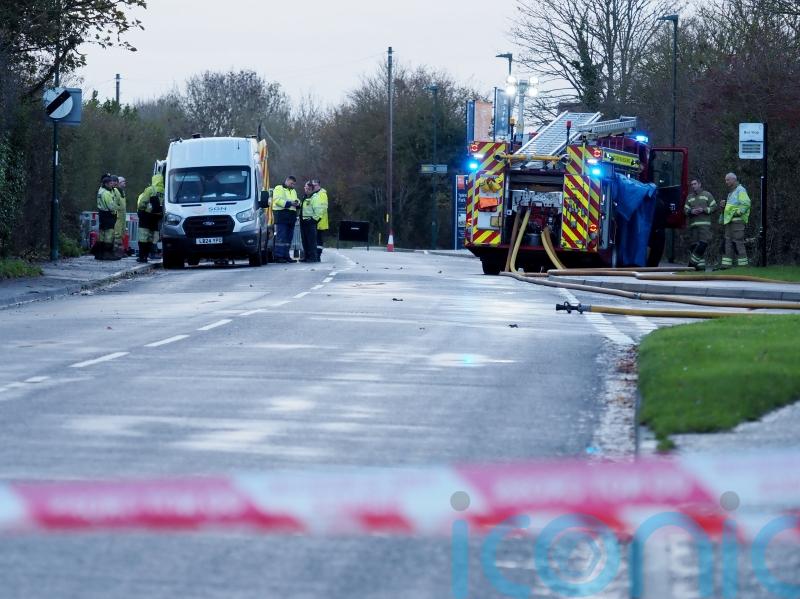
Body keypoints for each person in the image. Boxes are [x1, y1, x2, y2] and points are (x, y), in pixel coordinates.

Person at [683, 178, 717, 270]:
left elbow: (714, 207)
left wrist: (704, 210)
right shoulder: (689, 197)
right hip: (693, 227)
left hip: (704, 226)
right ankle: (700, 268)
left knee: (703, 245)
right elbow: (685, 210)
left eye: (695, 184)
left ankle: (690, 265)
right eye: (692, 184)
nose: (693, 186)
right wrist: (691, 211)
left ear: (699, 184)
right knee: (694, 246)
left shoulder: (707, 195)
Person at [719, 172, 751, 268]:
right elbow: (730, 208)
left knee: (737, 242)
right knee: (727, 242)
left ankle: (743, 266)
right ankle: (725, 265)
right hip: (729, 222)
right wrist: (723, 206)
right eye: (725, 180)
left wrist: (738, 213)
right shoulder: (731, 193)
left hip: (737, 221)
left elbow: (746, 203)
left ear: (734, 179)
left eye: (728, 180)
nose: (726, 182)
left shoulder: (740, 190)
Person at [136, 172, 164, 263]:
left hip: (146, 216)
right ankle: (151, 253)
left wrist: (141, 210)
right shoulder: (164, 191)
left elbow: (142, 202)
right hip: (157, 216)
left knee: (143, 236)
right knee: (153, 237)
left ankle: (142, 257)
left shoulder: (150, 189)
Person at [92, 175, 121, 260]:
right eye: (110, 183)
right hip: (108, 215)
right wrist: (116, 208)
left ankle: (99, 253)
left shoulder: (100, 191)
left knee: (102, 234)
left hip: (102, 214)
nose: (112, 185)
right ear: (106, 184)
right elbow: (111, 206)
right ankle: (107, 253)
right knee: (109, 234)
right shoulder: (107, 193)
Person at [271, 176, 300, 263]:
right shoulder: (279, 188)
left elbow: (296, 200)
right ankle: (279, 256)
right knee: (281, 237)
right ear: (287, 181)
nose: (293, 185)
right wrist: (290, 203)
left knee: (289, 238)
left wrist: (298, 203)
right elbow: (277, 200)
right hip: (282, 216)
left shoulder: (293, 191)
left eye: (294, 184)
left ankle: (286, 255)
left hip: (291, 217)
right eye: (291, 183)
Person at [300, 181, 319, 262]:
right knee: (304, 240)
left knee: (311, 241)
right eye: (305, 188)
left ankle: (312, 257)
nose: (306, 190)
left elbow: (318, 211)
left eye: (308, 189)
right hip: (303, 221)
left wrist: (313, 220)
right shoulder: (304, 197)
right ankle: (306, 256)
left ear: (312, 190)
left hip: (310, 222)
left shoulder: (315, 198)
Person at [310, 178, 329, 260]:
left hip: (320, 221)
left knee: (319, 240)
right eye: (312, 185)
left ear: (318, 185)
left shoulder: (322, 194)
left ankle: (318, 255)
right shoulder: (315, 194)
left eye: (314, 185)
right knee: (315, 239)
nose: (313, 187)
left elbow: (323, 208)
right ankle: (315, 254)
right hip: (315, 220)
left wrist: (316, 218)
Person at [111, 175, 127, 258]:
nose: (125, 183)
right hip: (118, 216)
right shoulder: (116, 191)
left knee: (120, 234)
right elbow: (114, 204)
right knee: (117, 234)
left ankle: (120, 251)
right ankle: (116, 251)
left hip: (122, 216)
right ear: (119, 183)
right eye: (123, 182)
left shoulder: (122, 192)